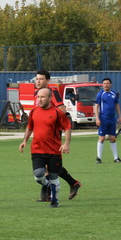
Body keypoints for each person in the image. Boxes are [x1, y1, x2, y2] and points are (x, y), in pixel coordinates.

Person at [19, 87, 72, 208]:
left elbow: (67, 127)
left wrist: (66, 143)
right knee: (38, 174)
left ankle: (55, 200)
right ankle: (46, 184)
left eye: (42, 97)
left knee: (53, 176)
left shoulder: (57, 113)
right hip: (37, 150)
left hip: (54, 151)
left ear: (49, 98)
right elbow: (30, 127)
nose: (39, 99)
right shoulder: (33, 112)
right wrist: (24, 141)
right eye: (38, 97)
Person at [33, 70, 82, 200]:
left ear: (48, 81)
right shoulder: (37, 94)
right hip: (42, 134)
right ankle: (71, 184)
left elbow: (62, 110)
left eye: (41, 79)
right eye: (37, 79)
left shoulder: (53, 93)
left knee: (51, 165)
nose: (38, 81)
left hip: (52, 134)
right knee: (47, 166)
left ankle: (50, 193)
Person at [95, 77, 121, 163]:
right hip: (103, 119)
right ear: (102, 85)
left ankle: (116, 158)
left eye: (107, 83)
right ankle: (98, 158)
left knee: (113, 138)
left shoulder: (114, 93)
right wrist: (97, 118)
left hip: (112, 119)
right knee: (102, 138)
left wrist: (120, 116)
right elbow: (96, 106)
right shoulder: (100, 94)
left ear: (110, 84)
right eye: (104, 83)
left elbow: (117, 105)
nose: (106, 85)